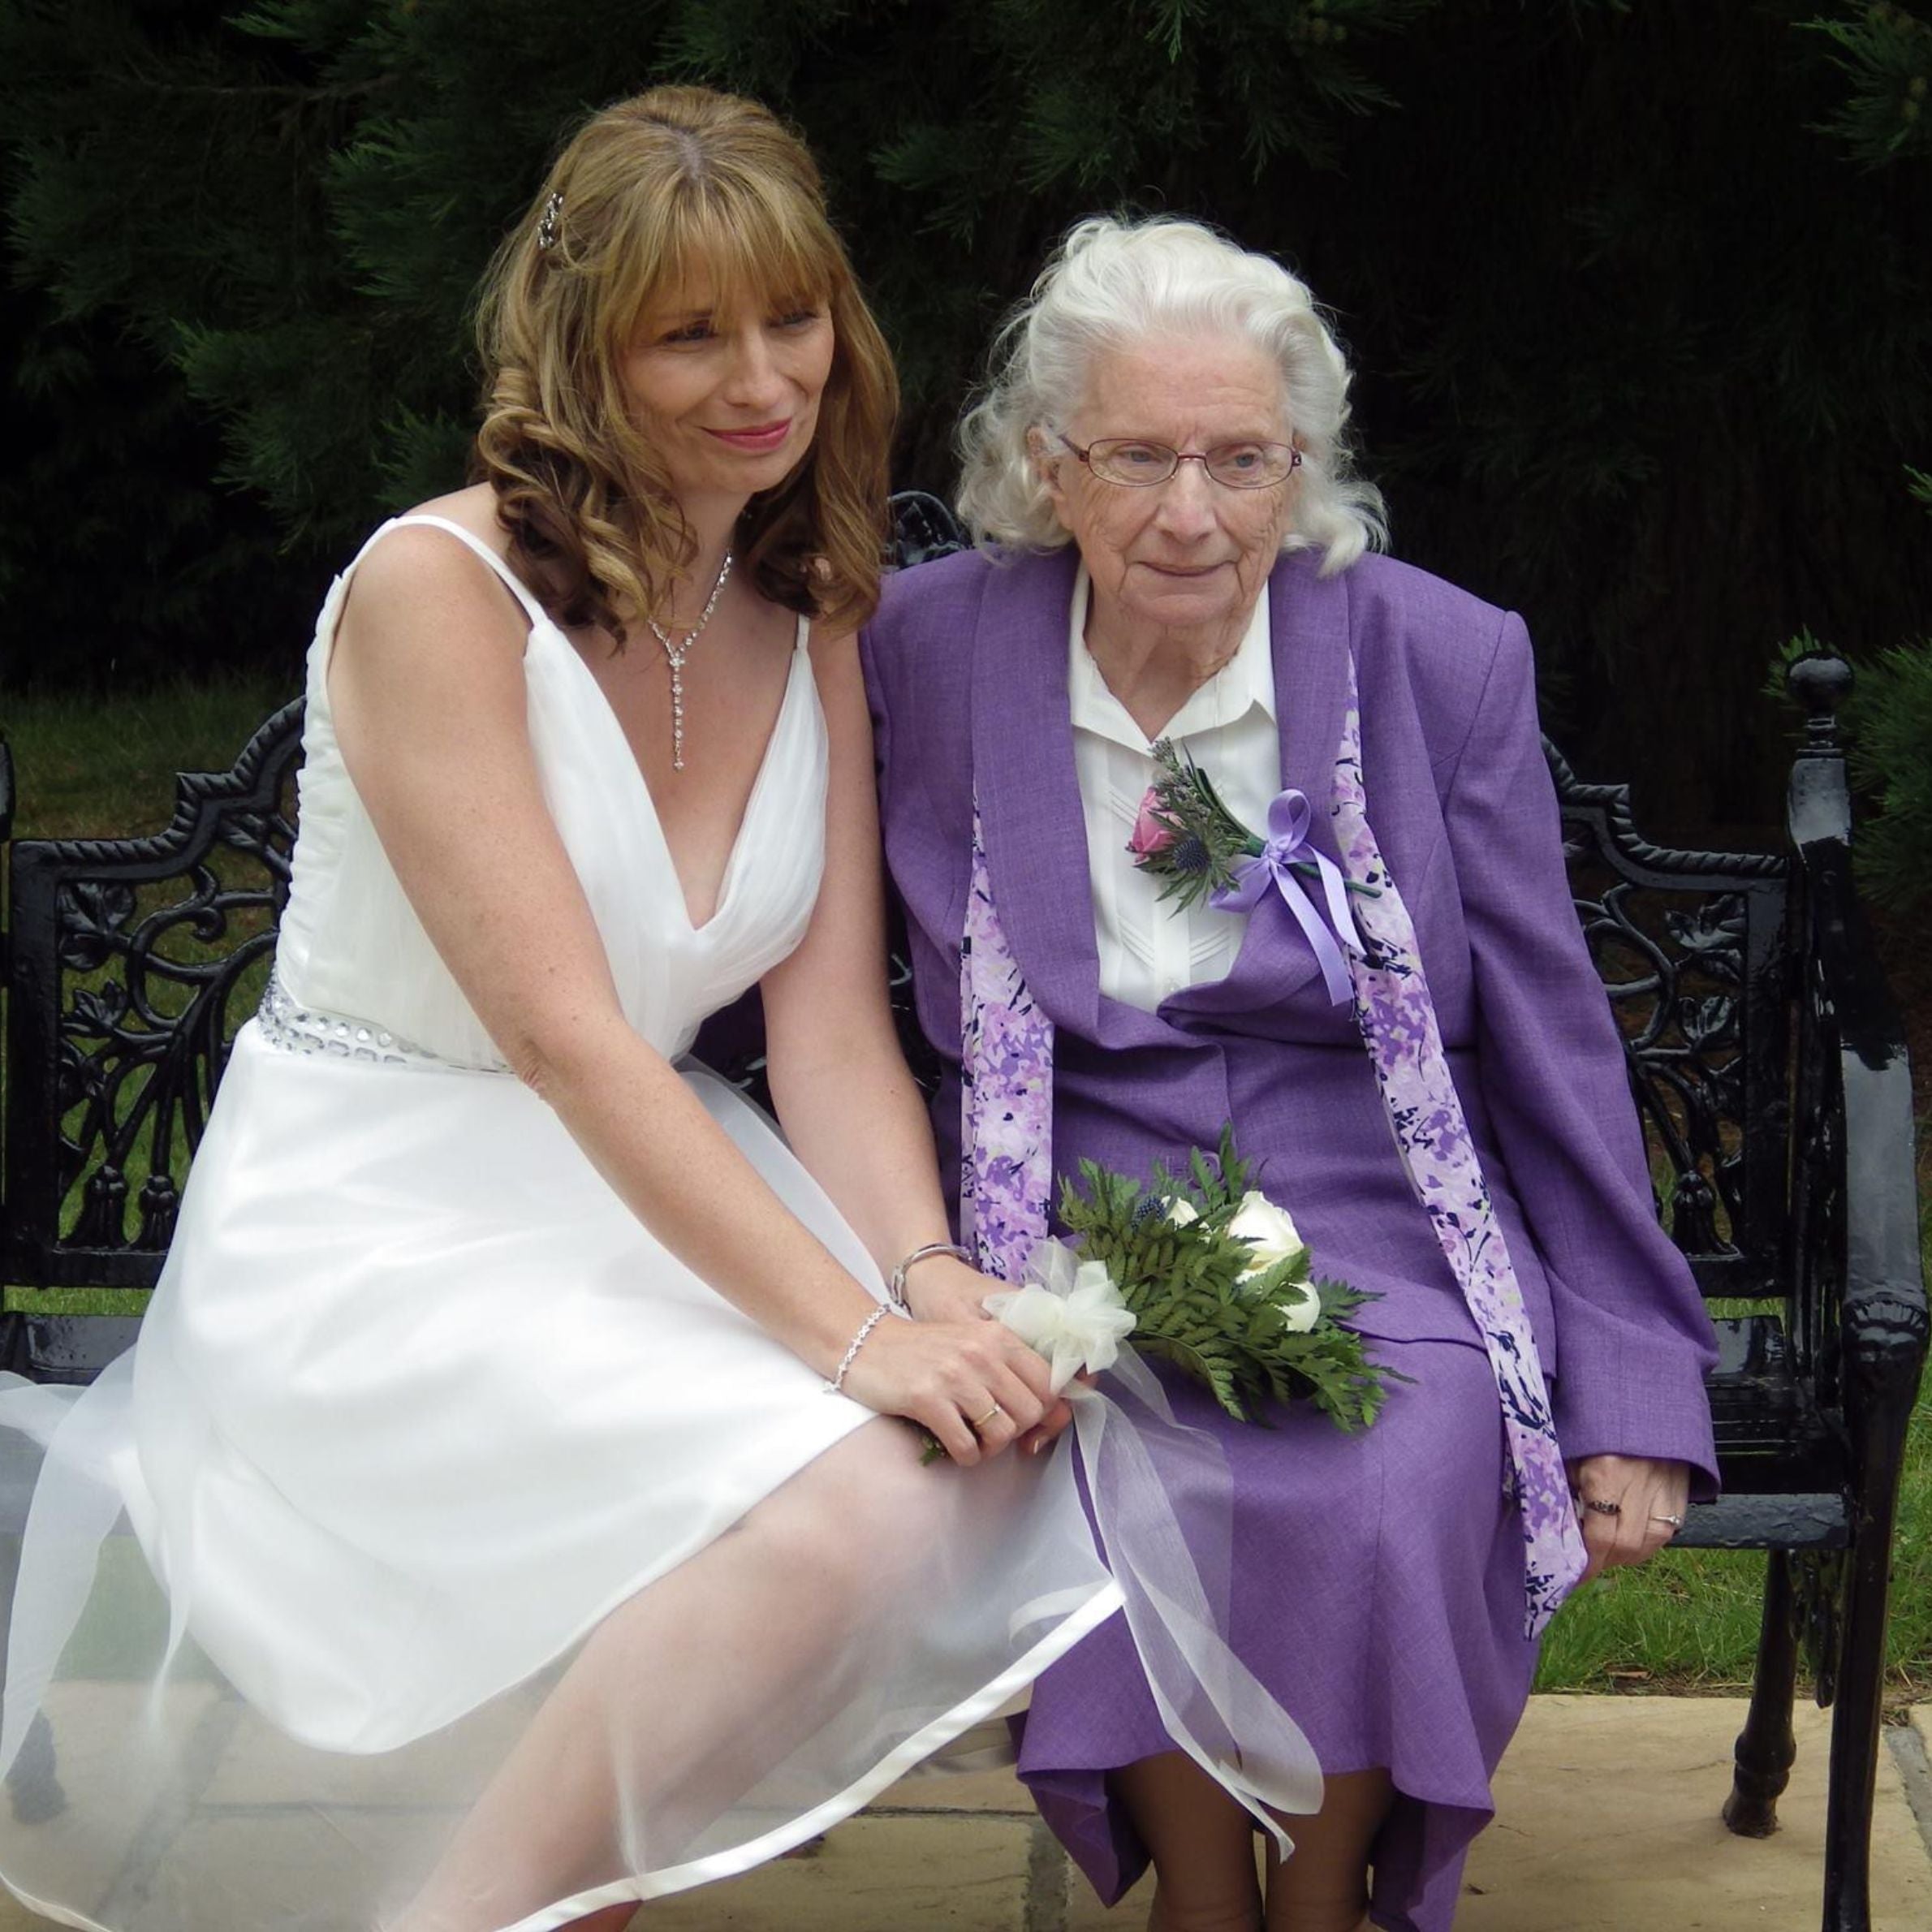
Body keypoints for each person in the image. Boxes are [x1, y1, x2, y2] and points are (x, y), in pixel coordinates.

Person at [0, 88, 1152, 1932]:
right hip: (382, 1208)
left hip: (634, 1172)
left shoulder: (804, 603)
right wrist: (855, 1343)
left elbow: (830, 1026)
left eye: (789, 318)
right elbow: (562, 1037)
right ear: (583, 347)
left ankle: (509, 1908)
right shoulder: (434, 593)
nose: (759, 376)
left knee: (939, 1462)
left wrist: (926, 1281)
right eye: (688, 332)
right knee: (853, 1481)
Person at [861, 215, 1721, 1932]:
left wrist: (1627, 1383)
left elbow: (1549, 1034)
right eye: (1138, 456)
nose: (1192, 512)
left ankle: (1319, 1885)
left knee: (1399, 1465)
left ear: (1301, 464)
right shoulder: (920, 651)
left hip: (1373, 1194)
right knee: (1101, 1442)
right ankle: (1199, 1884)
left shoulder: (1436, 655)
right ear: (1047, 464)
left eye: (1241, 458)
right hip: (1068, 1189)